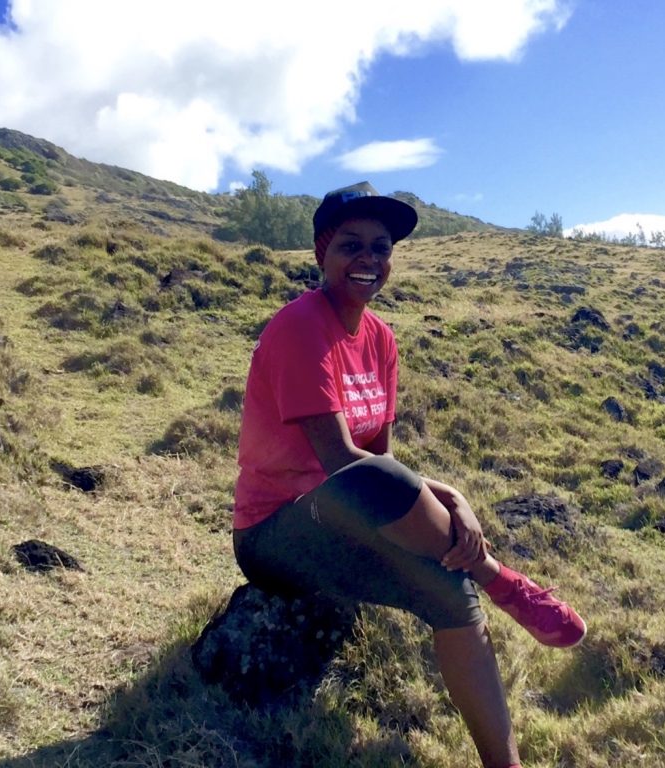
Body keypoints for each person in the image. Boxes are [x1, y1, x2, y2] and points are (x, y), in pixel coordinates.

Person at [232, 182, 586, 768]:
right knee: (389, 494)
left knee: (449, 590)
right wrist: (446, 512)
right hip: (274, 536)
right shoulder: (301, 327)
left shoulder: (380, 339)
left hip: (348, 516)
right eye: (351, 245)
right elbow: (346, 463)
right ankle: (500, 578)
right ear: (322, 254)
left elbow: (384, 461)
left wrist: (456, 497)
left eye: (381, 246)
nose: (369, 259)